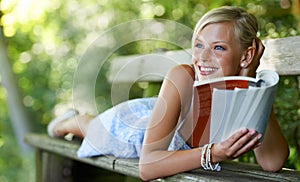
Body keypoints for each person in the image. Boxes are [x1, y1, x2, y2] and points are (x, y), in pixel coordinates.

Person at [47, 6, 289, 181]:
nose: (202, 58)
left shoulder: (245, 92)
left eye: (218, 48)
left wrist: (249, 81)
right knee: (92, 128)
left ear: (245, 56)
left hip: (161, 117)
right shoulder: (184, 76)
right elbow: (148, 167)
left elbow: (272, 161)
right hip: (134, 131)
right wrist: (213, 154)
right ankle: (68, 121)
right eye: (199, 45)